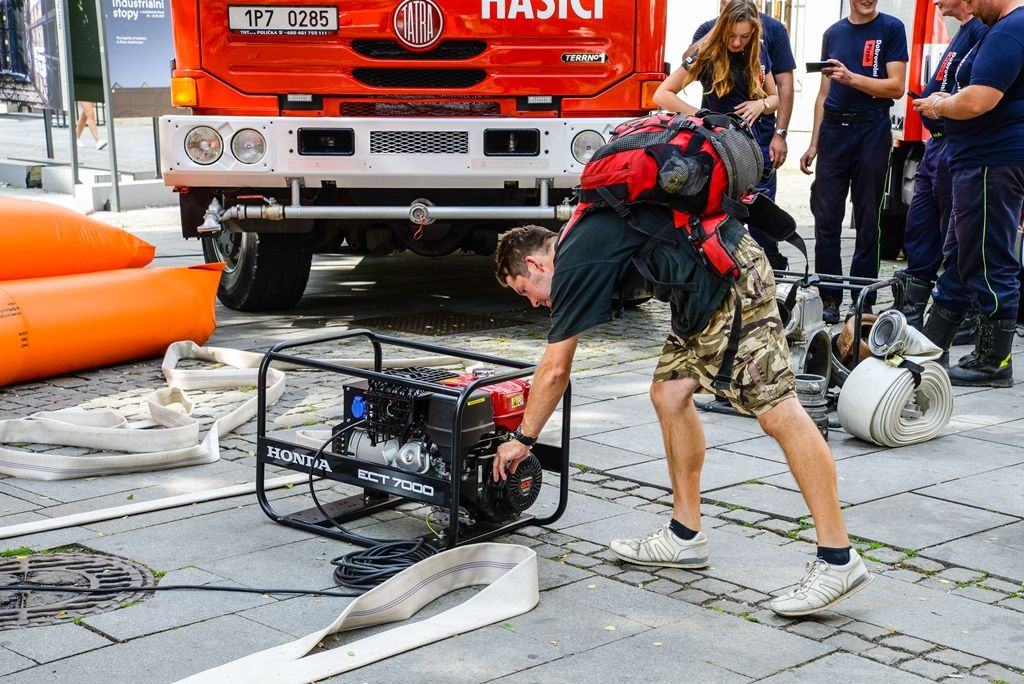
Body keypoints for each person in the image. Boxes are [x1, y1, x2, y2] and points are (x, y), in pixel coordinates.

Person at [491, 204, 873, 615]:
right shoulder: (579, 239)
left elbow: (554, 371)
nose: (531, 303)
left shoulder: (573, 259)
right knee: (669, 393)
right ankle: (685, 534)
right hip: (699, 293)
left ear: (534, 263)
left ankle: (839, 559)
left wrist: (522, 440)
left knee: (778, 412)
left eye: (523, 289)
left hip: (731, 283)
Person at [914, 0, 1024, 387]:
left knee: (988, 258)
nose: (971, 7)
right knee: (964, 254)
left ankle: (994, 361)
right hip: (981, 160)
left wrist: (941, 105)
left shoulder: (1011, 29)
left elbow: (979, 99)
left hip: (991, 162)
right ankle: (930, 345)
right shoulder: (999, 27)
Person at [801, 0, 908, 324]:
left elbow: (896, 86)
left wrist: (851, 78)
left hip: (872, 126)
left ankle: (864, 299)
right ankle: (830, 296)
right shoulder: (833, 32)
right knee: (826, 217)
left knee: (867, 217)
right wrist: (814, 142)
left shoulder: (891, 28)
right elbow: (823, 92)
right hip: (834, 128)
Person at [688, 0, 798, 271]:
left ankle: (770, 282)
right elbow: (684, 66)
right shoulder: (708, 31)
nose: (737, 42)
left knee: (762, 222)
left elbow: (781, 88)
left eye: (745, 37)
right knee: (719, 220)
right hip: (720, 144)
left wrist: (777, 129)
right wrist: (701, 118)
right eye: (732, 36)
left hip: (758, 142)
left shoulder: (770, 34)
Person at [897, 0, 986, 331]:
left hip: (955, 145)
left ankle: (963, 314)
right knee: (920, 228)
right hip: (935, 145)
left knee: (958, 237)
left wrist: (940, 105)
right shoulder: (963, 31)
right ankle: (911, 313)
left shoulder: (983, 30)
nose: (933, 0)